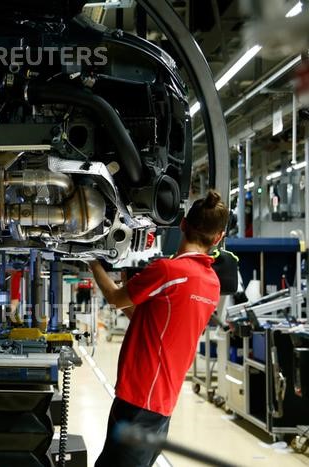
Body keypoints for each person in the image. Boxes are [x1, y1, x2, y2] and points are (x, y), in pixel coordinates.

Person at [89, 190, 229, 467]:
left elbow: (117, 299)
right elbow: (149, 320)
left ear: (183, 225)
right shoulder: (212, 283)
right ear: (218, 239)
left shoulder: (167, 270)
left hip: (139, 396)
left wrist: (92, 261)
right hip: (163, 401)